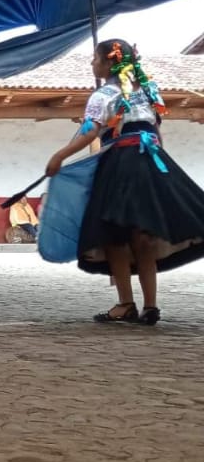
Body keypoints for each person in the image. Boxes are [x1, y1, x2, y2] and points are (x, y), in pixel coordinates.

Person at [44, 38, 204, 326]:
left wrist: (59, 156)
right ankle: (150, 306)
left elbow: (90, 132)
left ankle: (126, 303)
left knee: (115, 237)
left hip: (120, 165)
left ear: (108, 62)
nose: (92, 64)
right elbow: (155, 130)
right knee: (143, 237)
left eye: (95, 58)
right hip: (151, 162)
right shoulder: (151, 91)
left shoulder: (102, 95)